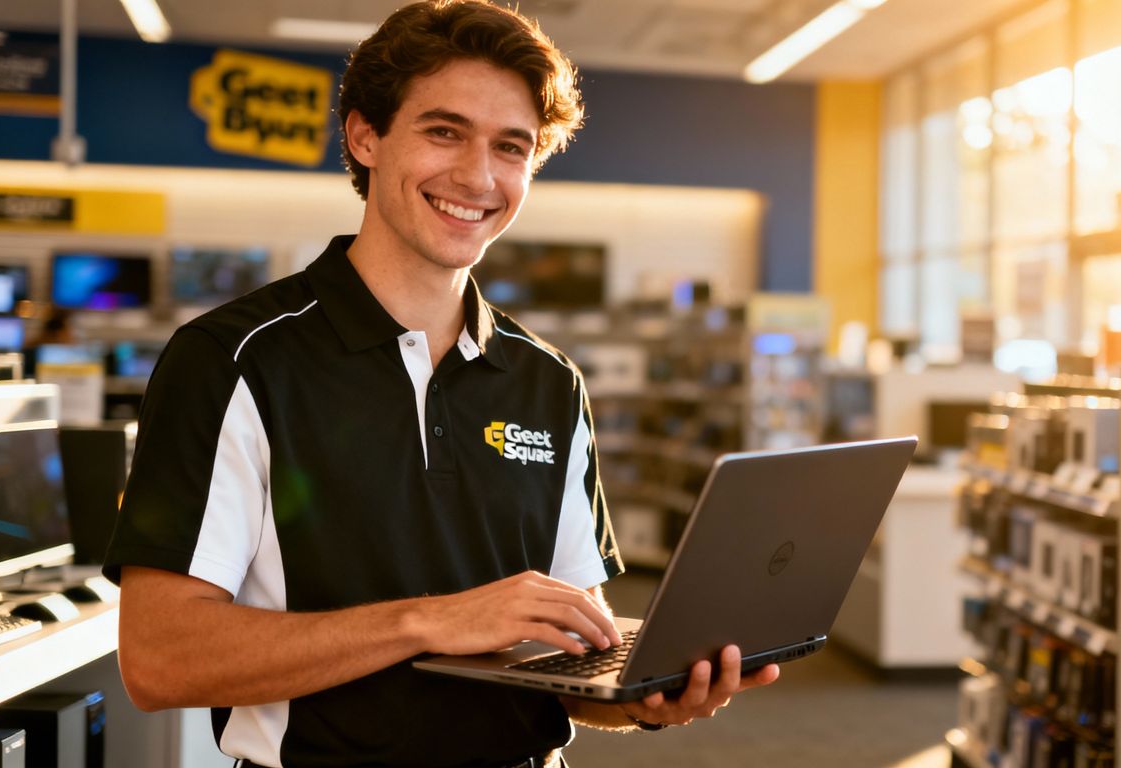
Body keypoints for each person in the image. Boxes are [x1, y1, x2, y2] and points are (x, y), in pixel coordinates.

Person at [102, 2, 779, 766]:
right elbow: (160, 657)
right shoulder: (231, 360)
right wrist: (429, 622)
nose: (478, 176)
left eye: (511, 147)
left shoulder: (548, 382)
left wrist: (647, 696)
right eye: (443, 131)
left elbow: (565, 667)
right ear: (366, 137)